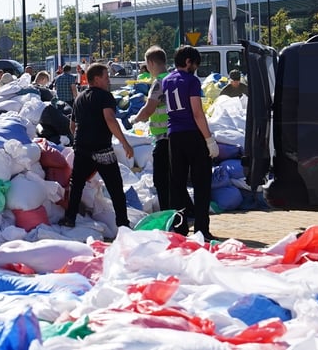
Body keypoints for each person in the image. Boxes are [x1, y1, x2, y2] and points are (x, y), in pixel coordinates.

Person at [60, 63, 134, 232]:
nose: (109, 80)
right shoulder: (105, 96)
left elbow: (72, 125)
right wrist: (125, 143)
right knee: (115, 187)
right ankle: (123, 224)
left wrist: (79, 140)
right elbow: (110, 119)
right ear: (97, 79)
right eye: (106, 77)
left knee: (76, 185)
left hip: (81, 149)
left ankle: (70, 218)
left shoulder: (79, 98)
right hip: (102, 150)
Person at [162, 45, 220, 240]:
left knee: (177, 183)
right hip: (193, 134)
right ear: (188, 62)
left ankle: (179, 229)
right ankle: (201, 229)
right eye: (195, 64)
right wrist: (209, 139)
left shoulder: (166, 80)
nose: (196, 68)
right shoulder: (191, 81)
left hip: (174, 135)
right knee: (201, 182)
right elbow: (197, 112)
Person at [130, 45, 182, 211]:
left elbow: (148, 110)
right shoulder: (176, 79)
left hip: (163, 136)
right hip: (179, 134)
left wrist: (134, 120)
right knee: (176, 178)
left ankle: (168, 213)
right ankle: (184, 211)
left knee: (161, 180)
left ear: (151, 62)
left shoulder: (159, 82)